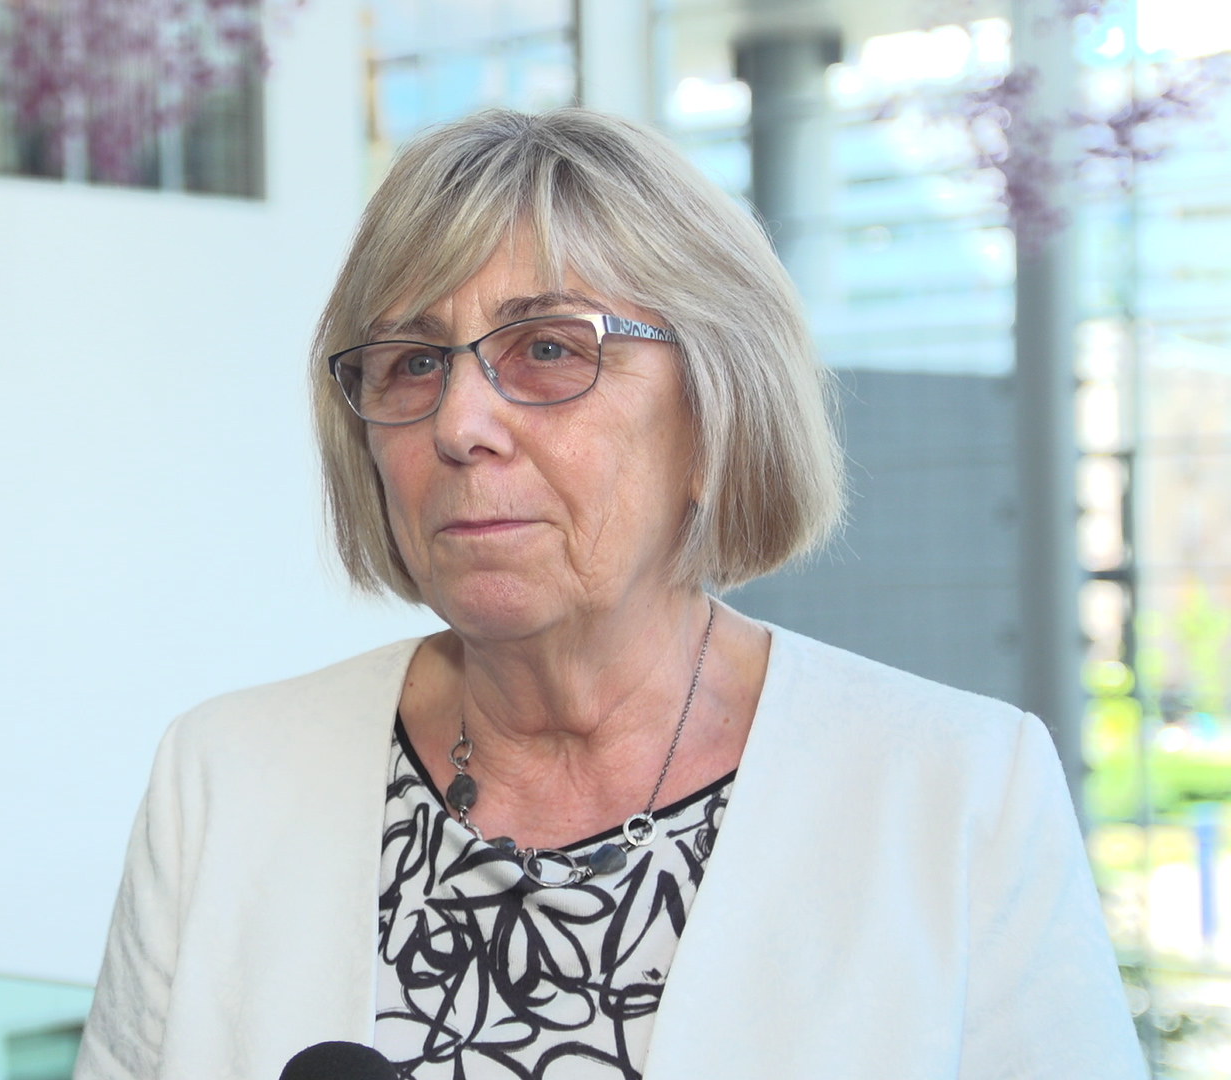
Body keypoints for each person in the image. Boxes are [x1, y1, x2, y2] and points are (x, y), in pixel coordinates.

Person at [74, 108, 1142, 1080]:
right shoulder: (224, 778)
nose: (458, 425)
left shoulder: (959, 792)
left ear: (716, 412)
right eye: (412, 363)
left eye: (548, 349)